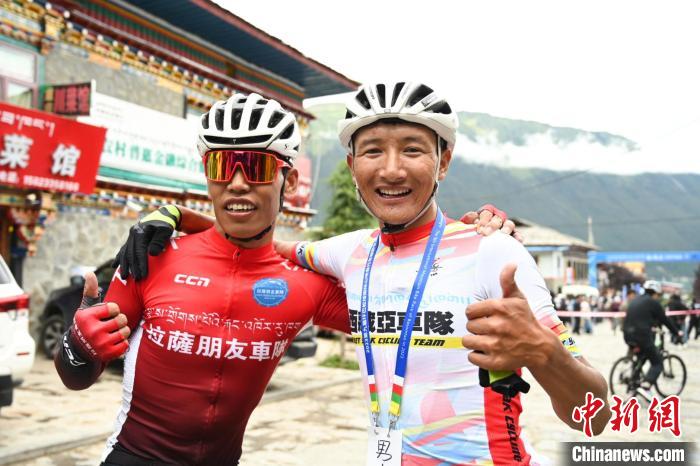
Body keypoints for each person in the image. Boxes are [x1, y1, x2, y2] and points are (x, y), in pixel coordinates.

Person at [119, 82, 611, 464]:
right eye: (373, 151)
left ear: (443, 162)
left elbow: (594, 417)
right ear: (353, 166)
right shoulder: (347, 252)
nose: (391, 170)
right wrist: (173, 217)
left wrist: (546, 353)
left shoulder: (492, 251)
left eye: (413, 150)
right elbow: (259, 243)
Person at [55, 93, 355, 465]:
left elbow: (402, 324)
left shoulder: (307, 283)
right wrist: (78, 344)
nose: (238, 183)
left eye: (257, 167)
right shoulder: (153, 257)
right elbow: (75, 379)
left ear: (290, 181)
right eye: (221, 165)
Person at [622, 280, 683, 400]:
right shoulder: (653, 303)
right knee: (657, 362)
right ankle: (646, 385)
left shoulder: (636, 300)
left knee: (641, 358)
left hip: (628, 335)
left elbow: (645, 317)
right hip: (641, 336)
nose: (658, 297)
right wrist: (677, 333)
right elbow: (664, 319)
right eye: (658, 295)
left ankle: (634, 383)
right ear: (655, 293)